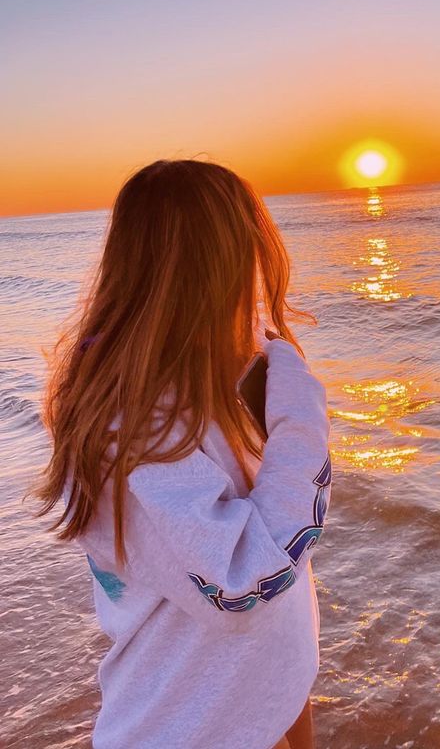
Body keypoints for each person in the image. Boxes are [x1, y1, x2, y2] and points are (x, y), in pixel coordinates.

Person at [35, 159, 332, 749]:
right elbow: (241, 580)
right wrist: (300, 414)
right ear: (214, 268)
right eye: (243, 254)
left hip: (255, 700)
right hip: (190, 722)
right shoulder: (131, 424)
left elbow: (277, 589)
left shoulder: (209, 382)